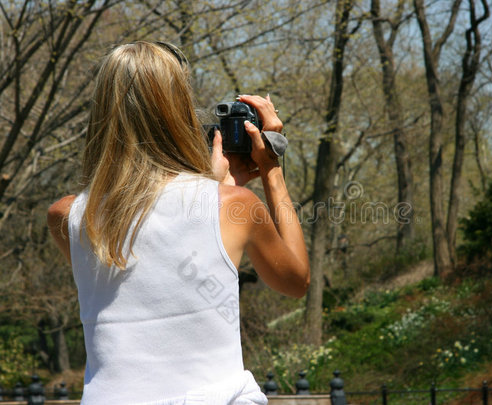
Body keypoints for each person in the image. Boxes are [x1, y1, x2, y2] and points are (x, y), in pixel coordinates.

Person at [47, 41, 309, 405]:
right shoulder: (235, 207)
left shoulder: (66, 216)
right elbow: (296, 280)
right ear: (178, 112)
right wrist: (270, 169)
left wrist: (211, 190)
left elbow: (147, 257)